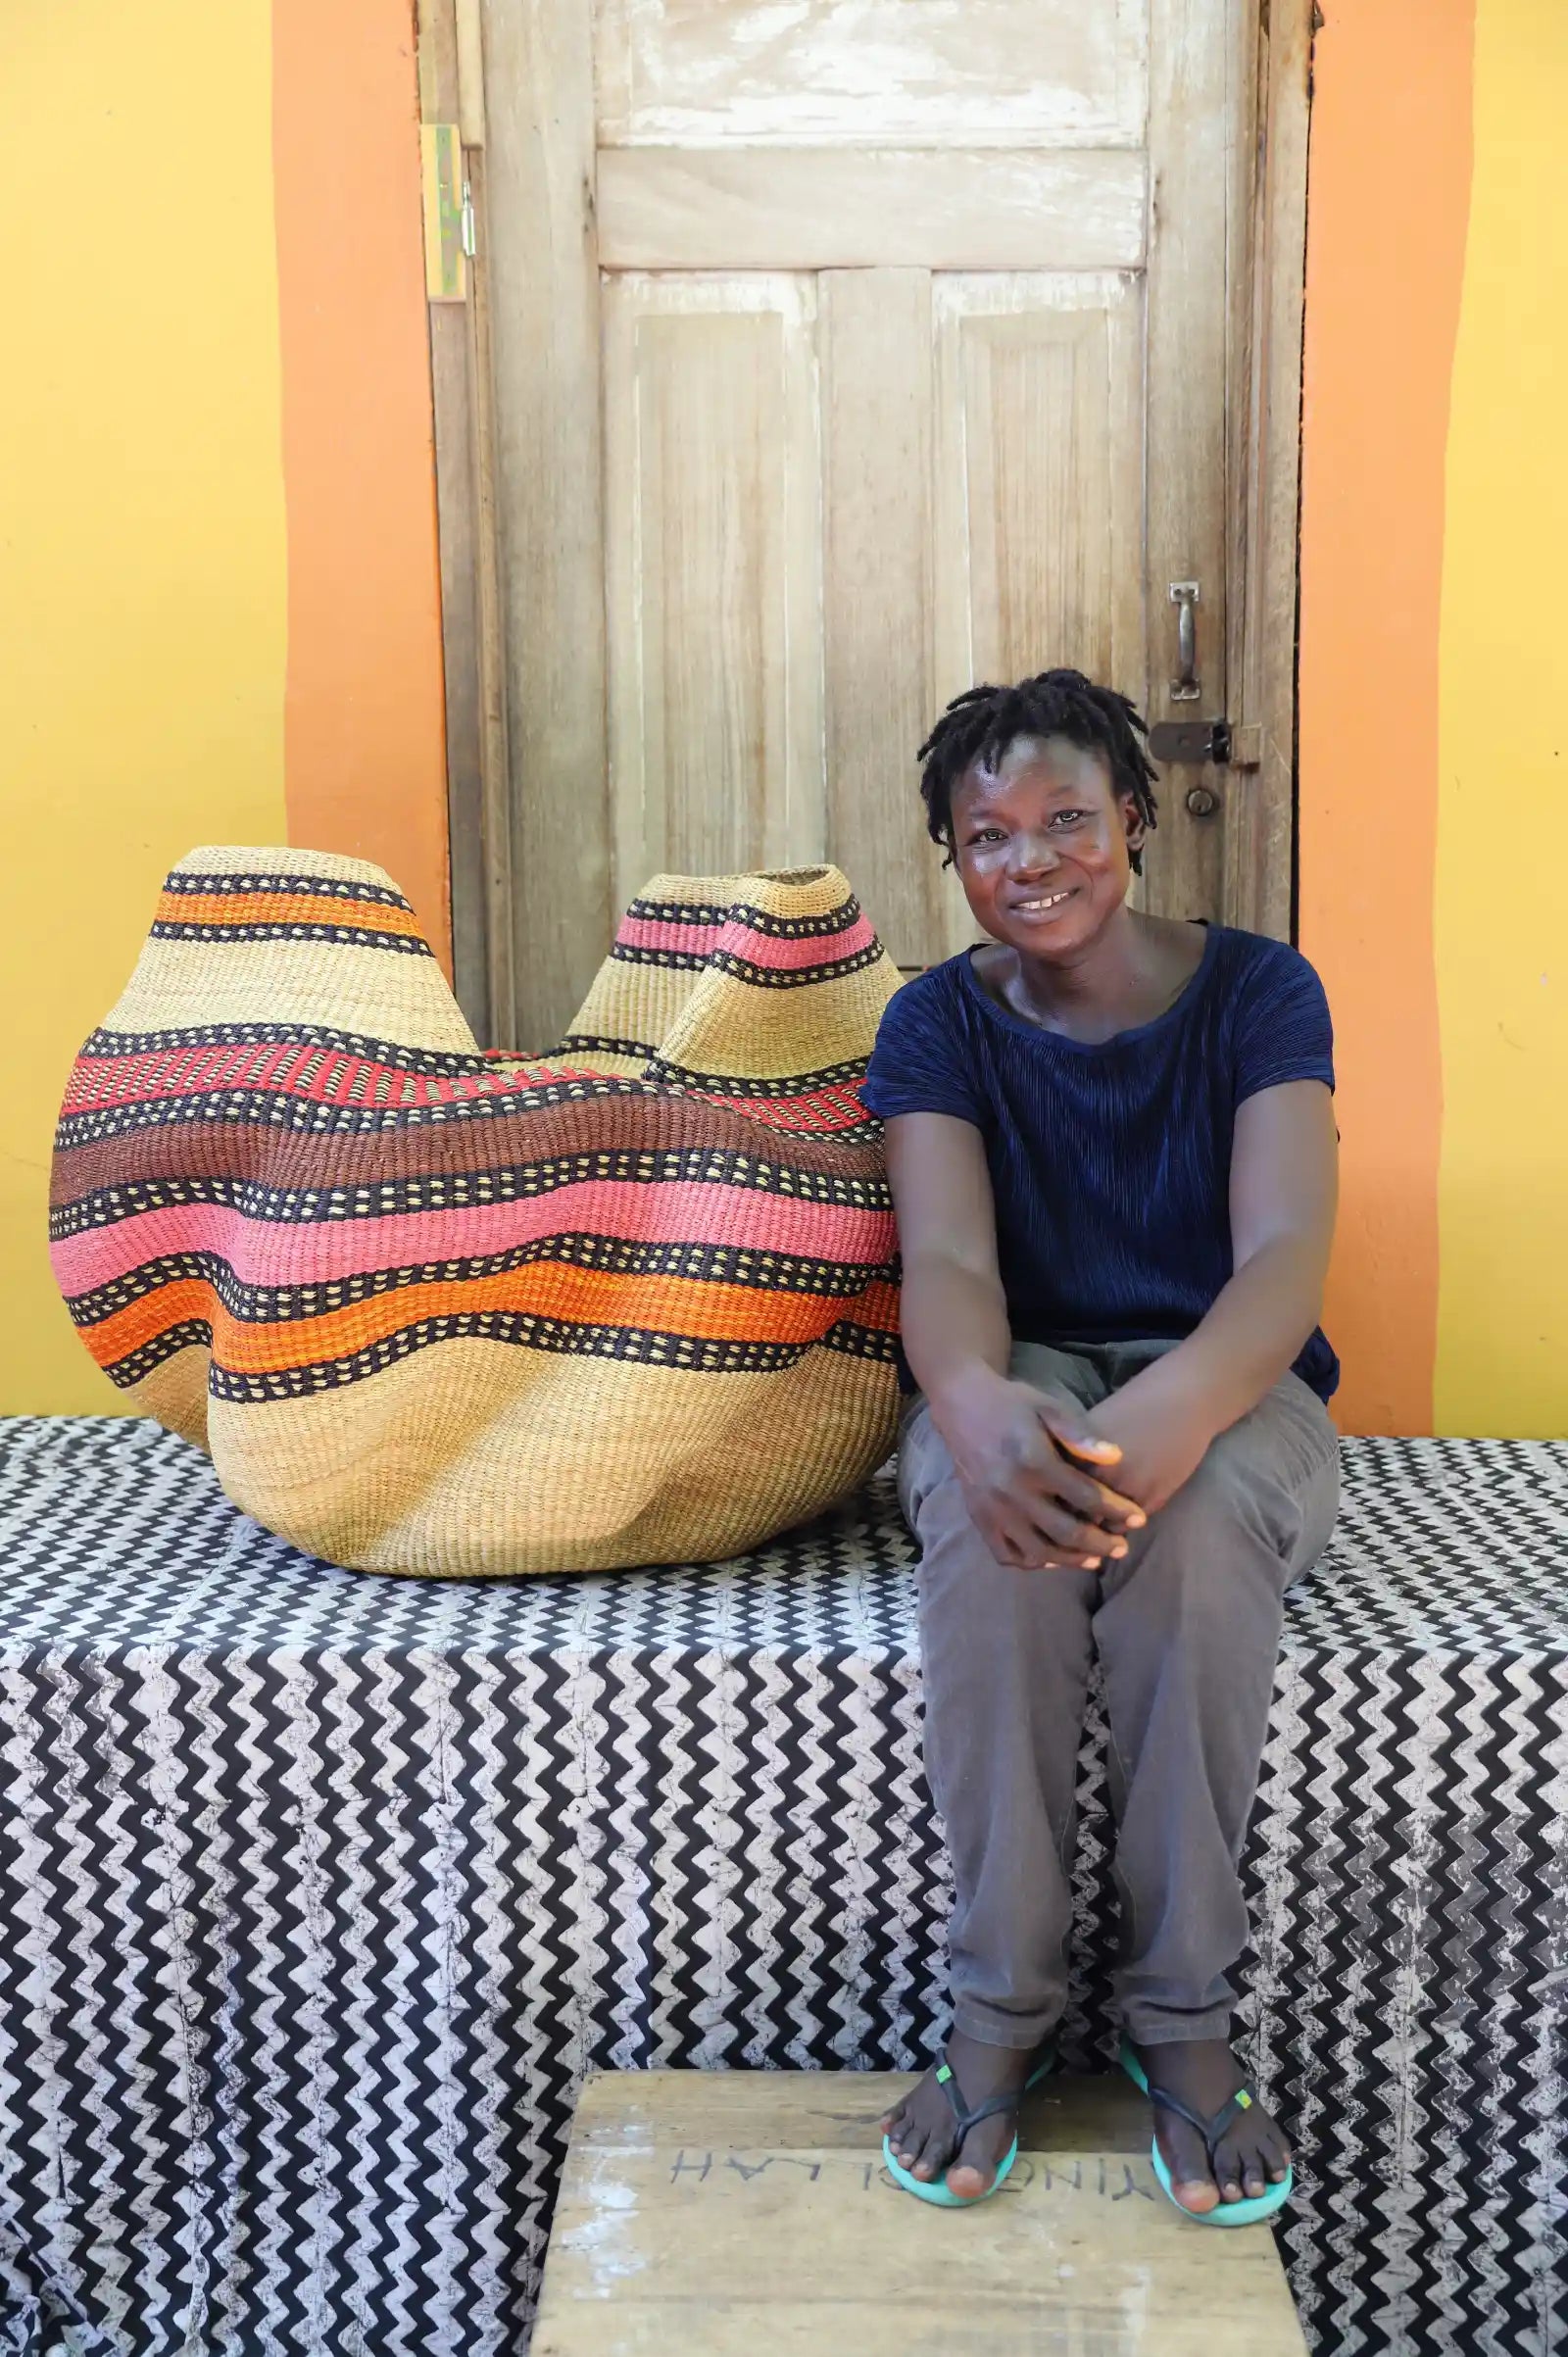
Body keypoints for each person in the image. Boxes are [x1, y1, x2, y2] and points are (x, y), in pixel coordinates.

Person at [863, 668, 1340, 2224]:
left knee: (1191, 1538)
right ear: (952, 857)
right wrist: (968, 1399)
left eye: (1067, 816)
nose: (1033, 858)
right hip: (1023, 1369)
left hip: (1229, 1372)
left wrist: (1178, 1410)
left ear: (1133, 816)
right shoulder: (936, 1020)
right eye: (988, 834)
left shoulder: (1263, 991)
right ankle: (996, 2010)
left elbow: (1281, 1259)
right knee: (995, 1533)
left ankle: (1183, 2018)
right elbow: (948, 1259)